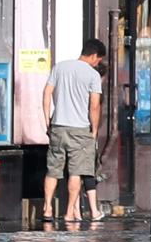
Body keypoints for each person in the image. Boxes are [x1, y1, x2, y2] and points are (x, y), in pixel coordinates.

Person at [42, 39, 105, 222]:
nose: (97, 63)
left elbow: (46, 93)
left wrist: (47, 121)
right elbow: (94, 106)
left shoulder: (60, 67)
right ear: (93, 56)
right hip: (80, 129)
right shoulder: (93, 75)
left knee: (52, 170)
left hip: (58, 126)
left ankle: (47, 209)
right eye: (98, 59)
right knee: (76, 172)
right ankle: (69, 212)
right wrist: (93, 130)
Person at [81, 62, 108, 221]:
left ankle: (75, 211)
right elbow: (95, 108)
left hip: (70, 128)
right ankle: (93, 210)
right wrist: (94, 131)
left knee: (75, 172)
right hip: (87, 131)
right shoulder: (94, 88)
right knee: (87, 170)